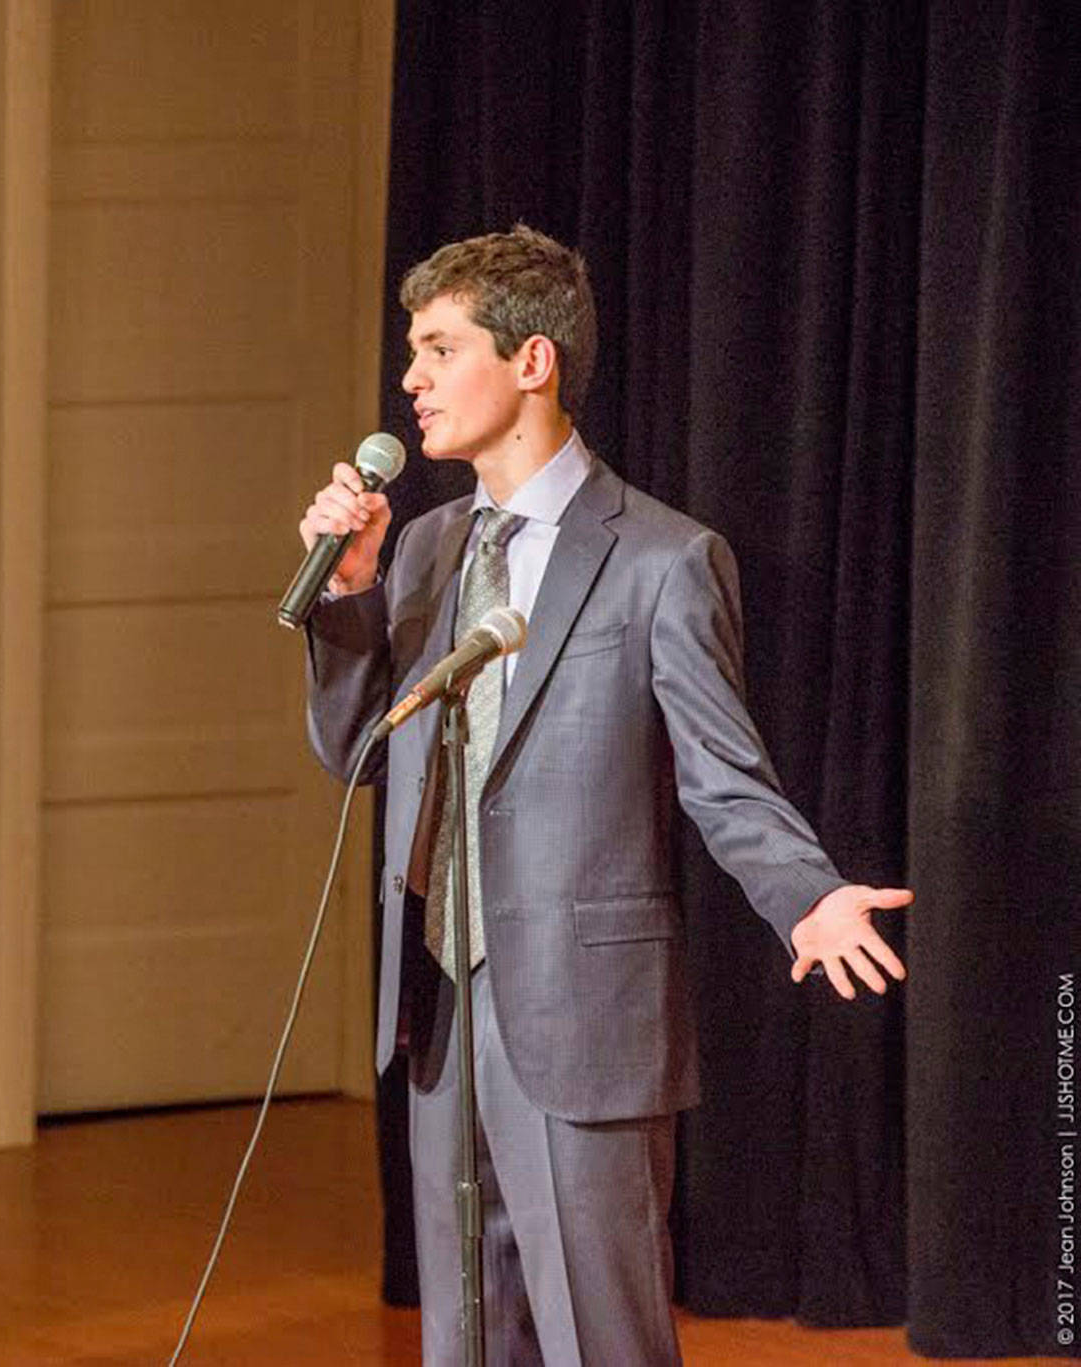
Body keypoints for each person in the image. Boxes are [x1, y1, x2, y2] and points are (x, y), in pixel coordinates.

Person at [298, 225, 911, 1366]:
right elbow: (355, 752)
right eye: (412, 351)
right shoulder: (424, 549)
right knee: (464, 1337)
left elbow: (724, 777)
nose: (410, 379)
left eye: (439, 349)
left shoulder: (661, 561)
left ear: (531, 361)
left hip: (582, 1012)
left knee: (600, 1338)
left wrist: (808, 895)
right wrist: (347, 594)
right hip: (439, 1001)